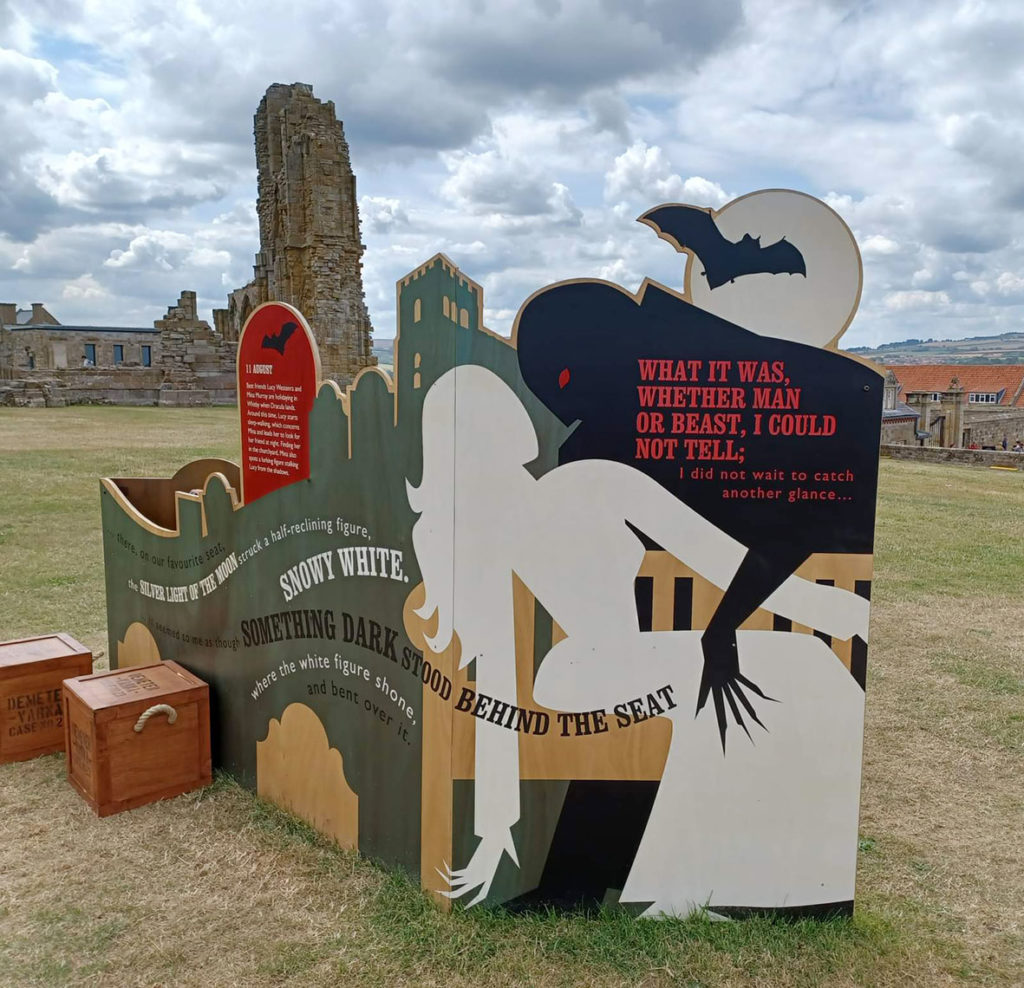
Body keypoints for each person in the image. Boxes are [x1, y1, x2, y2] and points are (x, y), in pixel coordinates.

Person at [413, 364, 870, 913]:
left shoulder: (594, 482)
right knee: (768, 666)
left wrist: (829, 607)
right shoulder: (490, 529)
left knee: (800, 662)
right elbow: (497, 677)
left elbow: (717, 557)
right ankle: (696, 888)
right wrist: (494, 828)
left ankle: (761, 876)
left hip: (632, 658)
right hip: (579, 672)